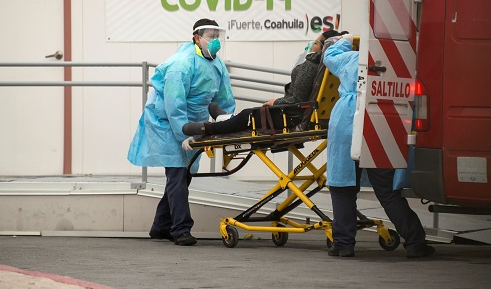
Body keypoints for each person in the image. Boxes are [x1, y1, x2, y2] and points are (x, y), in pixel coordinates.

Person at [323, 35, 435, 258]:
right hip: (381, 121)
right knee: (387, 190)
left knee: (343, 188)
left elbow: (329, 55)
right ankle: (415, 243)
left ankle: (344, 244)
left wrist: (346, 39)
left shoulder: (352, 58)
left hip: (347, 121)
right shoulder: (397, 65)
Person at [127, 19, 235, 246]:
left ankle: (160, 227)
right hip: (167, 124)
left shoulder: (217, 64)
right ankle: (181, 230)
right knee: (177, 174)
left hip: (194, 125)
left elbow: (223, 98)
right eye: (210, 36)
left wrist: (226, 122)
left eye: (218, 36)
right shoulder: (182, 64)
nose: (215, 41)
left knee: (183, 176)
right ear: (196, 38)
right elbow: (173, 105)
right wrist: (183, 134)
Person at [181, 30, 346, 138]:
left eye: (316, 42)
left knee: (249, 115)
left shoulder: (310, 66)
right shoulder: (332, 69)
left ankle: (209, 129)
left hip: (292, 117)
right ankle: (224, 117)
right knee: (249, 116)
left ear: (323, 47)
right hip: (309, 116)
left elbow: (297, 100)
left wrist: (276, 102)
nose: (312, 45)